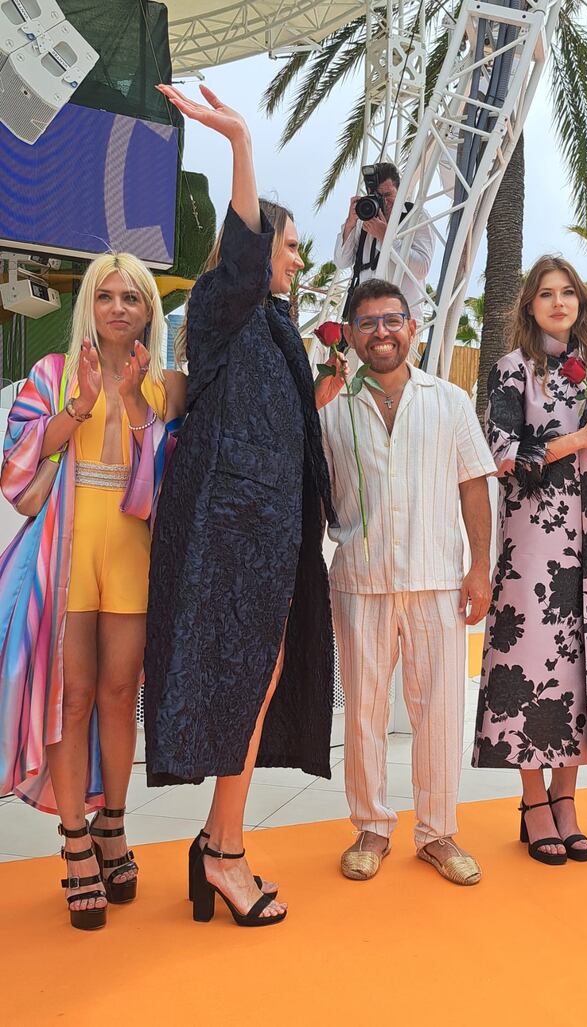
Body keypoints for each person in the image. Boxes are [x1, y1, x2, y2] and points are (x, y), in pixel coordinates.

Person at [143, 85, 338, 928]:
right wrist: (242, 145)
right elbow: (241, 257)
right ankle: (223, 853)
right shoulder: (225, 311)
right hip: (227, 532)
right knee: (241, 687)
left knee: (255, 689)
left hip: (268, 534)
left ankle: (218, 846)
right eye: (285, 247)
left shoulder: (277, 328)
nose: (291, 261)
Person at [0, 254, 185, 930]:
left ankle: (114, 824)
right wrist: (75, 408)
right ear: (89, 305)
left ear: (147, 310)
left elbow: (166, 480)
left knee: (116, 694)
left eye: (130, 296)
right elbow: (15, 473)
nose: (116, 307)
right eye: (104, 295)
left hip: (132, 556)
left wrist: (135, 398)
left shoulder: (165, 384)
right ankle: (76, 841)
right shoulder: (49, 377)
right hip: (69, 552)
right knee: (71, 696)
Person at [318, 277, 497, 885]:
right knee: (364, 713)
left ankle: (438, 833)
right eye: (367, 323)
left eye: (392, 320)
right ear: (351, 335)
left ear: (413, 328)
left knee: (439, 712)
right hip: (359, 583)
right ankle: (370, 828)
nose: (381, 333)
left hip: (436, 581)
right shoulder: (332, 413)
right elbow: (320, 500)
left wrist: (479, 568)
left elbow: (475, 484)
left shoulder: (449, 401)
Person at [473, 255, 587, 866]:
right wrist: (580, 437)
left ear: (580, 302)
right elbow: (499, 452)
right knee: (533, 660)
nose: (557, 302)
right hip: (535, 540)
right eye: (546, 293)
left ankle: (567, 799)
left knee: (582, 661)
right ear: (529, 304)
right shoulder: (510, 370)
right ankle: (533, 804)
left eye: (567, 292)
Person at [335, 162, 435, 323]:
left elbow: (421, 268)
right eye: (376, 196)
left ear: (400, 191)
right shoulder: (363, 220)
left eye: (388, 195)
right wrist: (350, 223)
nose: (383, 202)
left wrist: (386, 237)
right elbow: (341, 261)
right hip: (365, 319)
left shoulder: (416, 216)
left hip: (403, 320)